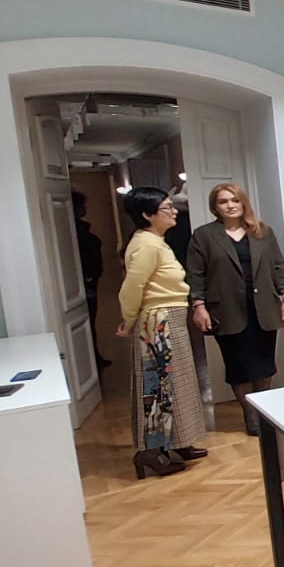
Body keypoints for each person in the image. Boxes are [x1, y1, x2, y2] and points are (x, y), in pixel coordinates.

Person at [185, 183, 284, 436]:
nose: (230, 205)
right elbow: (195, 274)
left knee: (264, 362)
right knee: (238, 364)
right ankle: (250, 414)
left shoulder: (262, 232)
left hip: (263, 306)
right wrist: (198, 306)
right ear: (215, 207)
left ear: (243, 202)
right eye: (223, 201)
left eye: (235, 200)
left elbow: (278, 267)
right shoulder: (204, 235)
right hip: (226, 309)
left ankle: (265, 412)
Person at [117, 187, 207, 478]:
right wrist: (129, 320)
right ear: (147, 215)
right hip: (158, 320)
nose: (174, 211)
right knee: (157, 387)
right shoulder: (146, 245)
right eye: (167, 208)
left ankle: (178, 440)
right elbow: (132, 288)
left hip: (169, 317)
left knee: (176, 383)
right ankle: (150, 451)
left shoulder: (155, 242)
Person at [72, 191, 111, 368]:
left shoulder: (82, 230)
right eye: (81, 206)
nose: (84, 209)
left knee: (89, 321)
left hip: (89, 280)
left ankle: (93, 357)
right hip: (83, 281)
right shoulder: (75, 232)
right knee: (85, 322)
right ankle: (88, 361)